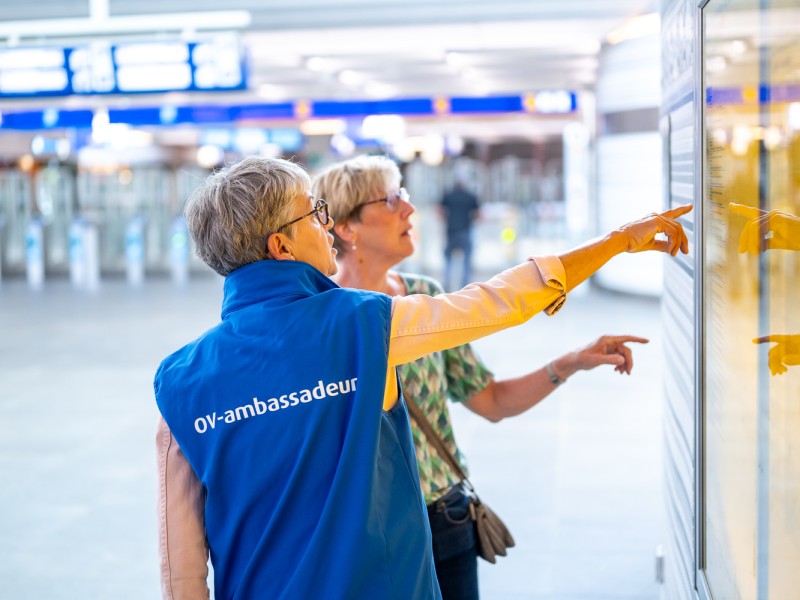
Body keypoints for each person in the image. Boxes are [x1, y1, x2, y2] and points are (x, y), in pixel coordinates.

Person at [154, 155, 690, 600]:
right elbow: (499, 301)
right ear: (281, 246)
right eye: (315, 215)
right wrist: (620, 241)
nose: (325, 226)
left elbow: (181, 566)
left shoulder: (179, 380)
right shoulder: (364, 323)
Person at [312, 155, 650, 600]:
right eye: (392, 199)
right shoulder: (322, 321)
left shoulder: (423, 295)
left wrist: (570, 362)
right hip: (371, 533)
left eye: (405, 196)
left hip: (447, 517)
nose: (409, 209)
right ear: (347, 227)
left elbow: (490, 401)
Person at [440, 175, 480, 290]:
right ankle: (465, 286)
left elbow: (440, 211)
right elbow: (478, 214)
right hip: (465, 230)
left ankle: (446, 283)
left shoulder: (448, 195)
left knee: (448, 259)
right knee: (467, 260)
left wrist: (447, 220)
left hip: (451, 231)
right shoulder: (470, 196)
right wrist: (471, 220)